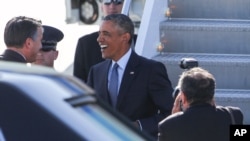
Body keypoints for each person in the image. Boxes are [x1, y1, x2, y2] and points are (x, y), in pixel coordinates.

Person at [87, 14, 174, 139]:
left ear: (125, 37)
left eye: (106, 34)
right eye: (99, 33)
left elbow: (171, 112)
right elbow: (89, 111)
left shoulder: (150, 70)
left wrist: (138, 126)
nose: (99, 39)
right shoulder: (96, 72)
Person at [158, 67, 244, 141]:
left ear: (183, 97)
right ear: (212, 94)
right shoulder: (234, 115)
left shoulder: (167, 126)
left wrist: (175, 120)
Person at [73, 0, 137, 82]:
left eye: (118, 2)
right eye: (107, 2)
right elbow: (79, 83)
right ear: (101, 7)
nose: (112, 7)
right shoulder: (86, 44)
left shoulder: (137, 41)